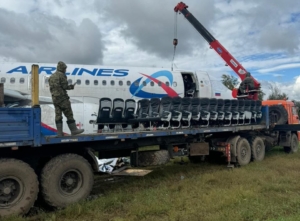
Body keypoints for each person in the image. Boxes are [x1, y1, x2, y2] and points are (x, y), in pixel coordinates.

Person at [49, 61, 84, 136]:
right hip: (62, 98)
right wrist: (71, 86)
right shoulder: (62, 75)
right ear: (62, 68)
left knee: (58, 115)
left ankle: (59, 133)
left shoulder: (51, 76)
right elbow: (65, 87)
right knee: (69, 114)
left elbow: (52, 88)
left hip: (55, 98)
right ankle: (74, 130)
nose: (65, 70)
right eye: (65, 68)